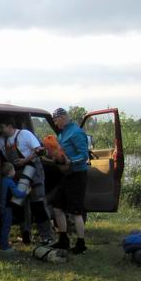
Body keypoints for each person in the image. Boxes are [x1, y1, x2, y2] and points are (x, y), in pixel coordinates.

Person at [0, 119, 53, 245]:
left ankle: (47, 236)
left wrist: (25, 160)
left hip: (33, 172)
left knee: (37, 204)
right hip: (17, 174)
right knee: (20, 206)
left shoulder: (24, 135)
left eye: (2, 127)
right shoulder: (2, 140)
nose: (0, 130)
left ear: (10, 125)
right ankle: (26, 235)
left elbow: (40, 150)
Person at [50, 107, 90, 253]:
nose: (55, 123)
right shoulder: (62, 134)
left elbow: (84, 155)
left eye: (55, 120)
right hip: (66, 175)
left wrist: (70, 162)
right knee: (57, 206)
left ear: (63, 117)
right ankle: (63, 240)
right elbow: (60, 152)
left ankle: (81, 244)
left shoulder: (77, 132)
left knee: (76, 211)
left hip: (78, 175)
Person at [0, 162, 28, 253]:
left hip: (0, 207)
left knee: (0, 227)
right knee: (6, 227)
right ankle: (5, 247)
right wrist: (26, 192)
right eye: (14, 170)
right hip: (7, 208)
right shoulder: (10, 182)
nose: (15, 171)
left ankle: (0, 244)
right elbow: (17, 194)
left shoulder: (2, 180)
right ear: (10, 172)